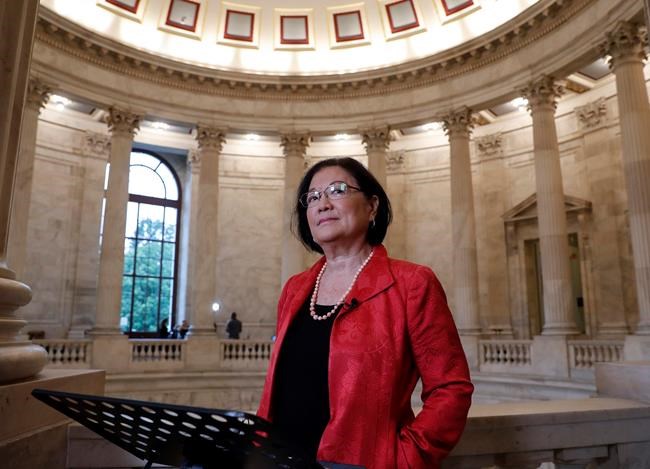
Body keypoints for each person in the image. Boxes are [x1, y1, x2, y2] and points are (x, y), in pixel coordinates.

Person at [257, 157, 473, 469]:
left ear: (372, 206)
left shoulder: (412, 283)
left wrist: (405, 460)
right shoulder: (294, 288)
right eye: (313, 197)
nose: (323, 204)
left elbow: (450, 388)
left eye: (337, 190)